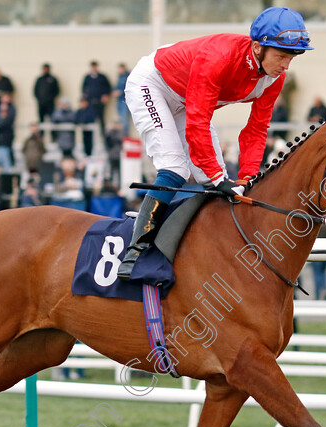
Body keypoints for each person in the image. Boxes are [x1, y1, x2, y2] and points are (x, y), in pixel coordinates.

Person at [117, 6, 311, 279]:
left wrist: (247, 178)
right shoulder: (218, 57)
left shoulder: (274, 79)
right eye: (281, 56)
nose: (285, 65)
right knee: (176, 169)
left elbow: (256, 130)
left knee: (219, 184)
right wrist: (220, 177)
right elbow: (197, 123)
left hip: (187, 98)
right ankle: (137, 252)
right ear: (257, 47)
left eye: (291, 58)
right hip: (152, 84)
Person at [81, 60, 112, 135]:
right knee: (90, 120)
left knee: (101, 120)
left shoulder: (102, 77)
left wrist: (106, 95)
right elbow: (83, 89)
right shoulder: (87, 77)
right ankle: (91, 138)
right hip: (90, 102)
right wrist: (84, 100)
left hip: (100, 103)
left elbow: (108, 88)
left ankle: (103, 137)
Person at [0, 94, 16, 171]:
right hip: (0, 138)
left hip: (7, 137)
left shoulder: (11, 108)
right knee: (0, 156)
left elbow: (8, 121)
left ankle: (9, 169)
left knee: (7, 156)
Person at [113, 63, 131, 135]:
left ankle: (126, 136)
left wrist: (120, 92)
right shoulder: (119, 77)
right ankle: (123, 136)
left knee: (124, 119)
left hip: (125, 100)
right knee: (121, 118)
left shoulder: (127, 77)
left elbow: (128, 88)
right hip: (119, 100)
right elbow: (116, 86)